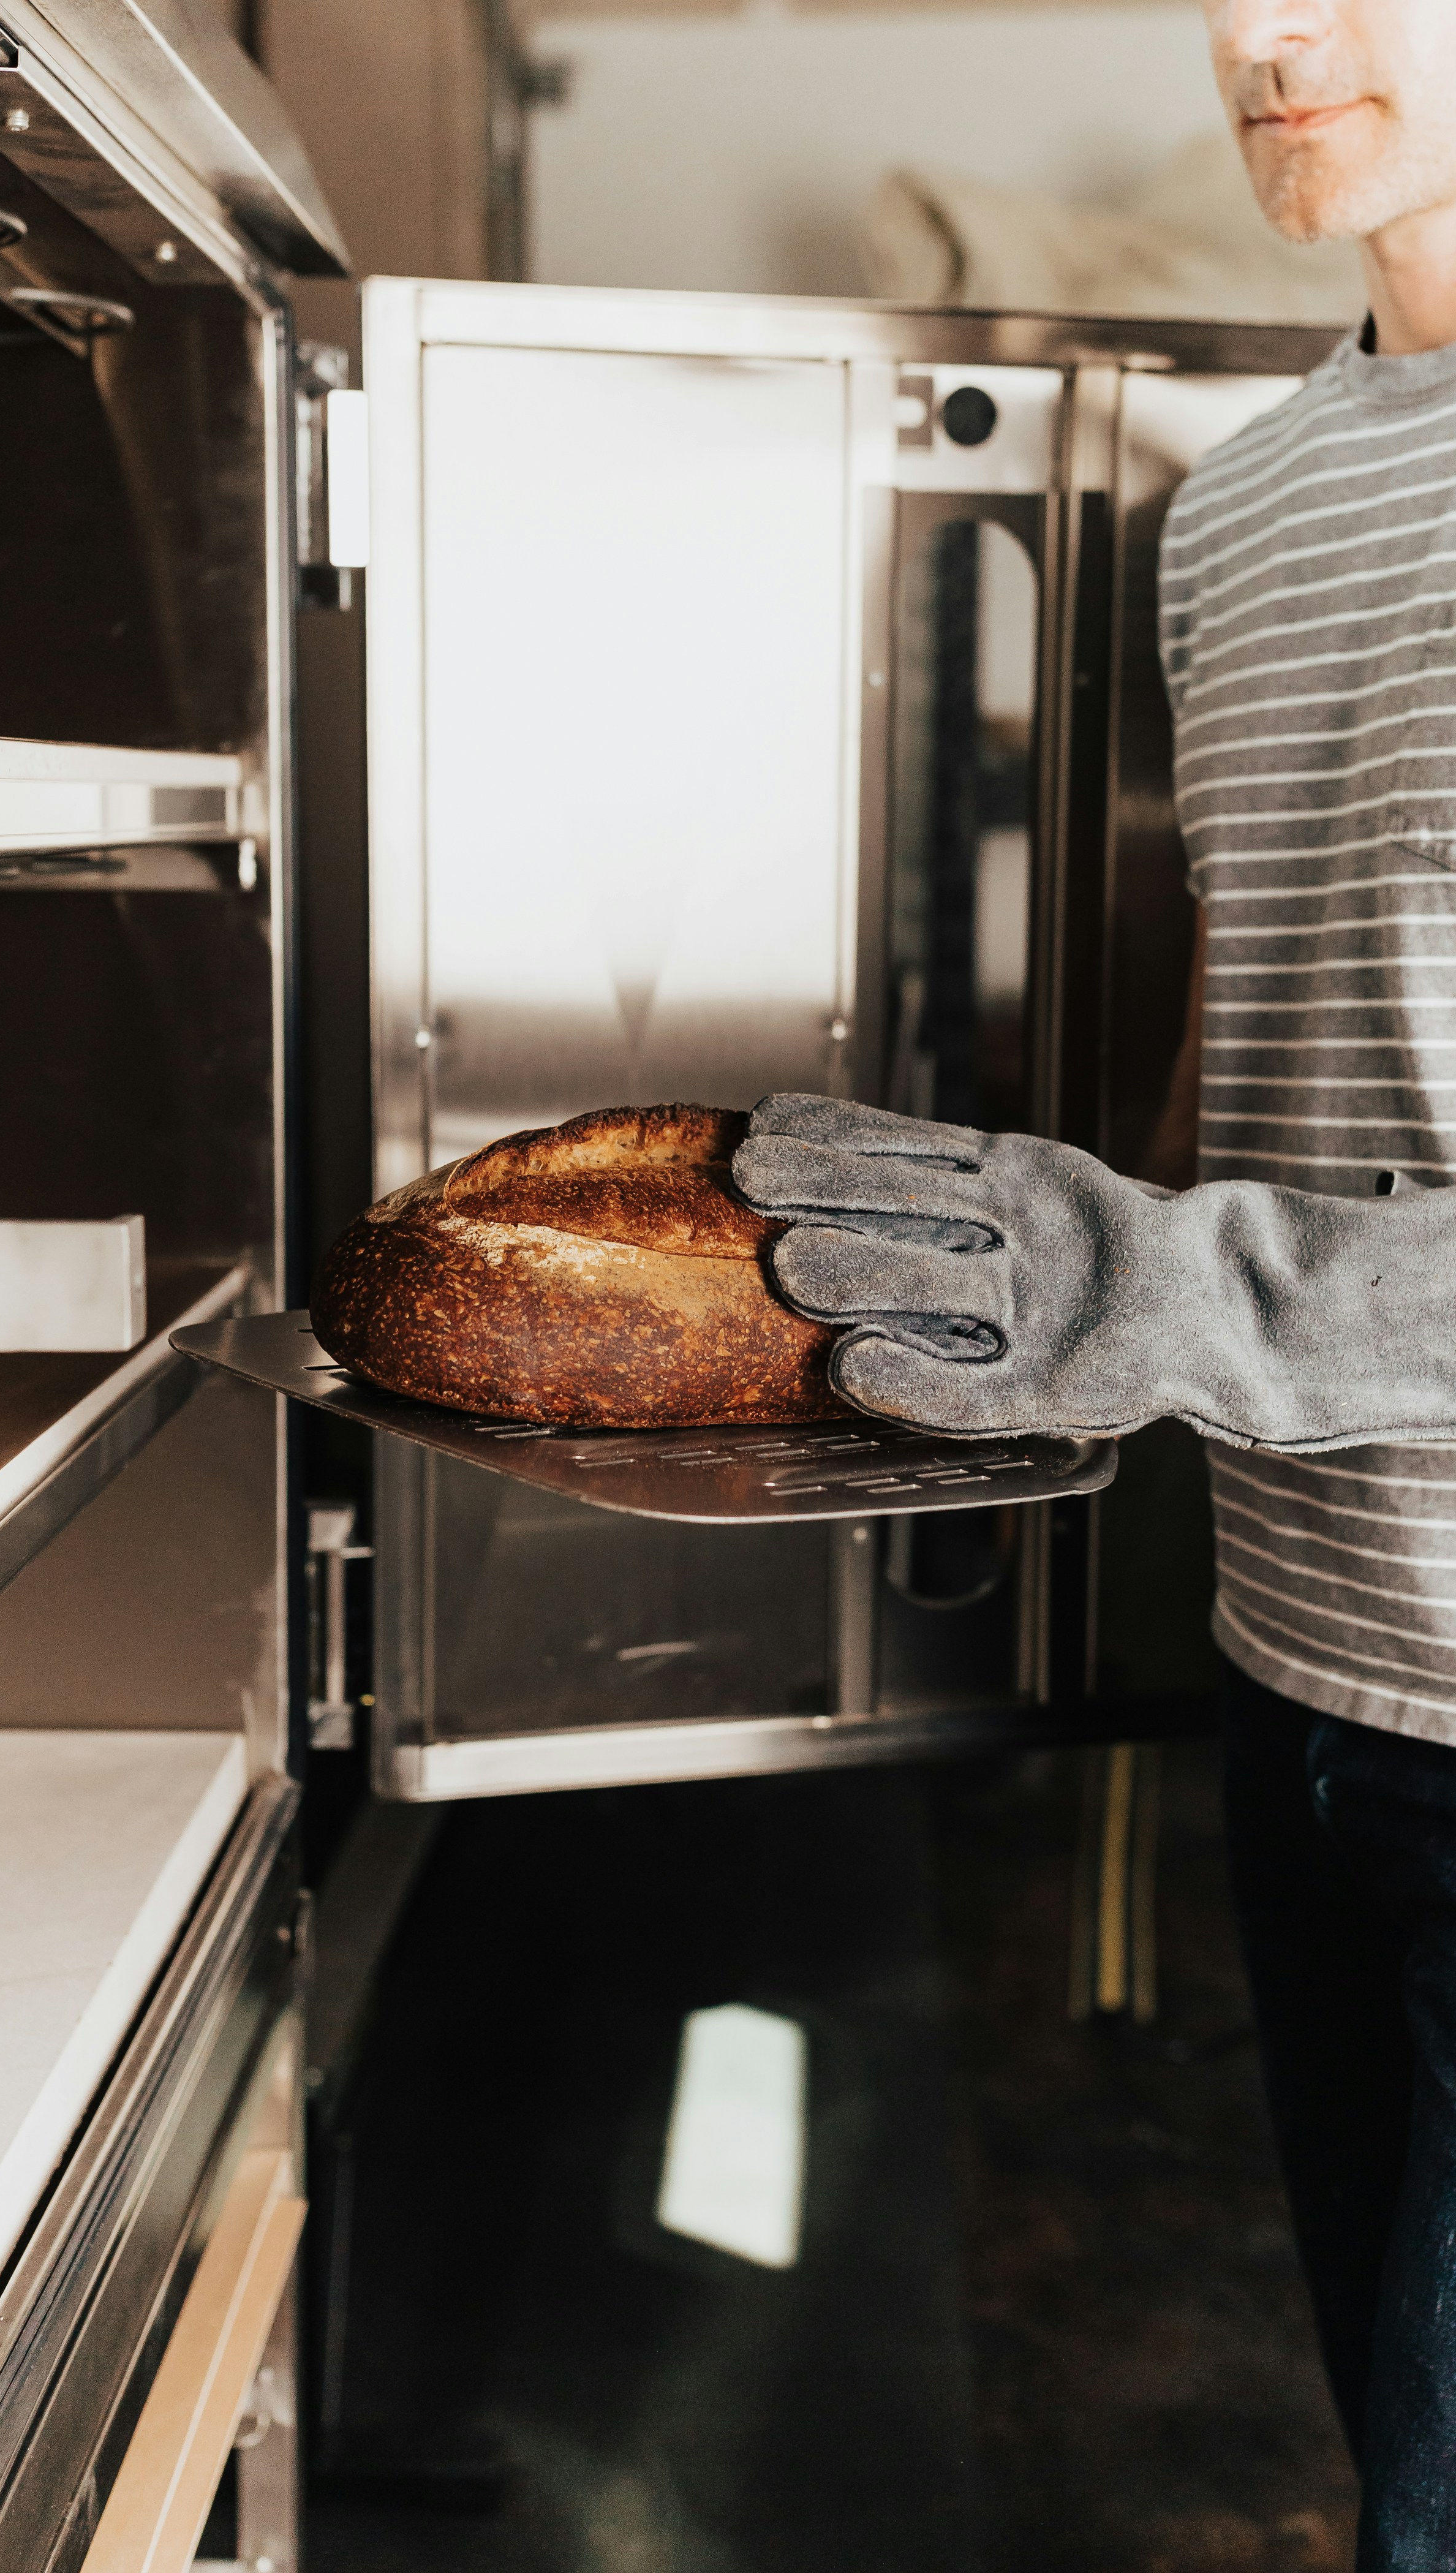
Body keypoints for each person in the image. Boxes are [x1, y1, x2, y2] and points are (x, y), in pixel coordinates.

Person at [735, 3, 1456, 2563]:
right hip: (1305, 1670)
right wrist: (996, 1328)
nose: (1271, 33)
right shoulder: (1236, 510)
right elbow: (1232, 1051)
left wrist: (1125, 1282)